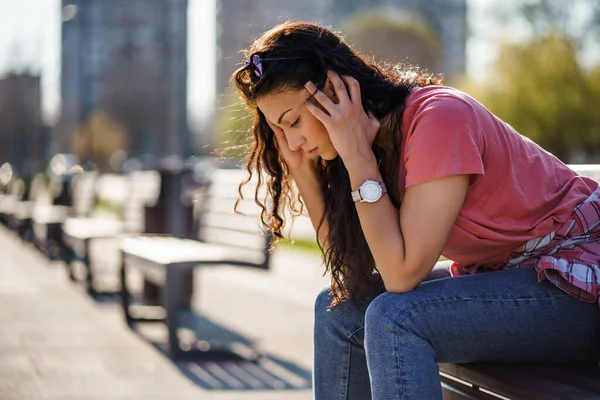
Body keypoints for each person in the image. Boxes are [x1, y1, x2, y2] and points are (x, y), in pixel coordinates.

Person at [231, 21, 600, 399]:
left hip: (575, 283)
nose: (292, 140)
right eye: (279, 130)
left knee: (397, 319)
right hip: (514, 281)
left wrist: (358, 158)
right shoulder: (365, 149)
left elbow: (402, 275)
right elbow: (350, 273)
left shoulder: (438, 118)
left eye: (293, 122)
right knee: (338, 310)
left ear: (334, 92)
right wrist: (304, 175)